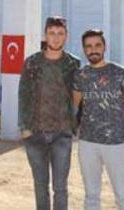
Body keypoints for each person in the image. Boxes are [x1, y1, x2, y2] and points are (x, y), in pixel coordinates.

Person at [18, 16, 81, 210]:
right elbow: (23, 94)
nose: (56, 37)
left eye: (60, 33)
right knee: (40, 186)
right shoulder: (32, 62)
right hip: (35, 133)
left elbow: (79, 96)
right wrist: (24, 127)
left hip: (62, 134)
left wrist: (74, 125)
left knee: (60, 188)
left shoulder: (73, 64)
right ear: (45, 35)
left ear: (66, 36)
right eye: (52, 33)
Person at [73, 29, 124, 210]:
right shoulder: (80, 75)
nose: (93, 50)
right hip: (87, 142)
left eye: (97, 45)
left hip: (116, 143)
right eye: (88, 46)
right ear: (84, 49)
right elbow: (73, 106)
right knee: (91, 196)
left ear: (105, 47)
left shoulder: (121, 73)